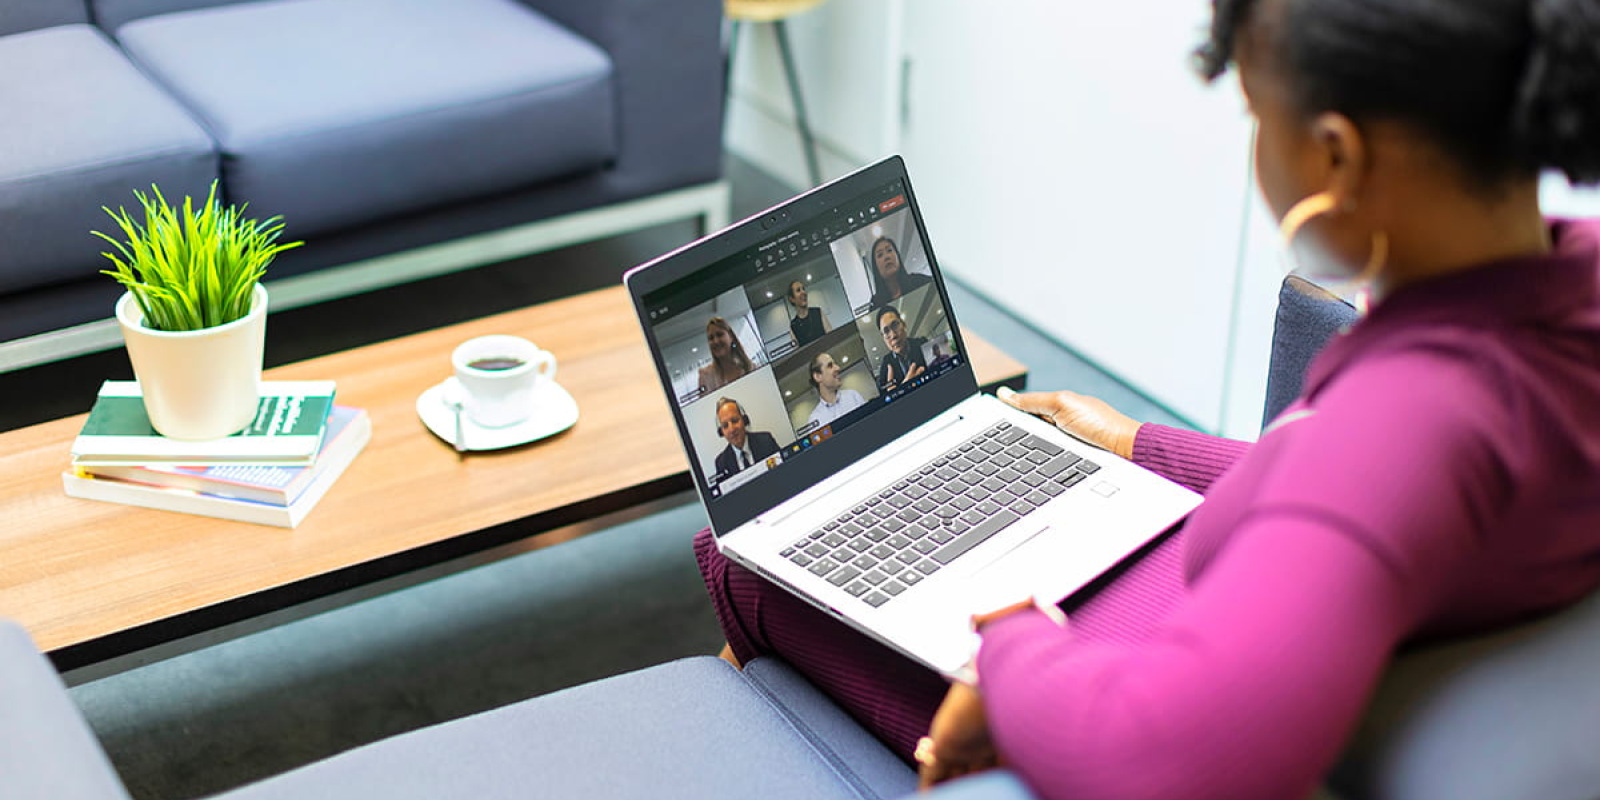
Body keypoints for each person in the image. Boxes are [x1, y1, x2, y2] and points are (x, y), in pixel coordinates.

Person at [692, 1, 1600, 798]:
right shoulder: (1565, 291)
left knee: (748, 568)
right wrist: (1139, 444)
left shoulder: (1408, 426)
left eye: (1257, 115)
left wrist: (1006, 644)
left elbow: (1156, 765)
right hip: (1267, 613)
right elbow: (1353, 494)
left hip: (1157, 668)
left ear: (1335, 157)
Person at [712, 397, 781, 479]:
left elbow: (783, 470)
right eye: (725, 425)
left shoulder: (766, 441)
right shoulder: (721, 463)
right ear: (721, 432)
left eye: (734, 421)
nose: (731, 429)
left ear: (744, 420)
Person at [804, 352, 867, 430]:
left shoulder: (853, 396)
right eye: (830, 366)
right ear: (817, 376)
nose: (837, 368)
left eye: (835, 364)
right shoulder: (815, 419)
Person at [866, 235, 932, 307]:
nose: (886, 257)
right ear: (875, 267)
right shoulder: (876, 303)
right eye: (880, 255)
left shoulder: (918, 281)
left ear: (897, 256)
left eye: (889, 250)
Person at [696, 317, 755, 395]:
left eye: (719, 335)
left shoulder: (750, 367)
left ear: (731, 337)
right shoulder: (706, 376)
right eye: (711, 338)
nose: (715, 341)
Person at [874, 306, 927, 391]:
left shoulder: (923, 344)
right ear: (883, 338)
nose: (893, 335)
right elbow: (884, 393)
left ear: (904, 324)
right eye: (886, 331)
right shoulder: (885, 366)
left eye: (895, 325)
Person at [786, 280, 831, 346]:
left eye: (803, 289)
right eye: (798, 290)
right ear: (792, 299)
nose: (803, 292)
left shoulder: (818, 312)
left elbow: (831, 336)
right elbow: (797, 349)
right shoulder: (793, 325)